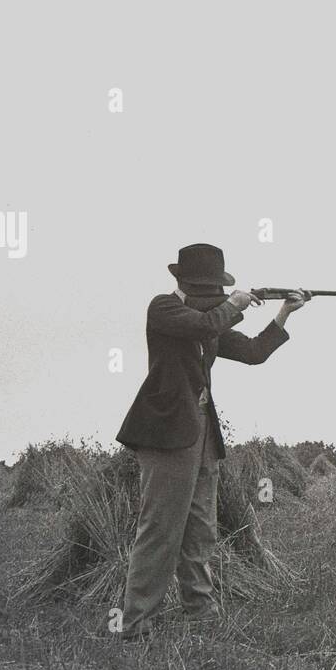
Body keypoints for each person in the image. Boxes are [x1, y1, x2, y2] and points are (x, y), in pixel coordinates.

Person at [114, 243, 309, 640]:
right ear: (185, 283)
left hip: (202, 432)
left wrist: (284, 312)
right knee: (160, 530)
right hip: (166, 433)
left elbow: (254, 353)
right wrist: (234, 303)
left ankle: (200, 610)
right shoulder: (164, 308)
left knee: (201, 528)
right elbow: (202, 327)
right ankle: (135, 623)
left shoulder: (212, 319)